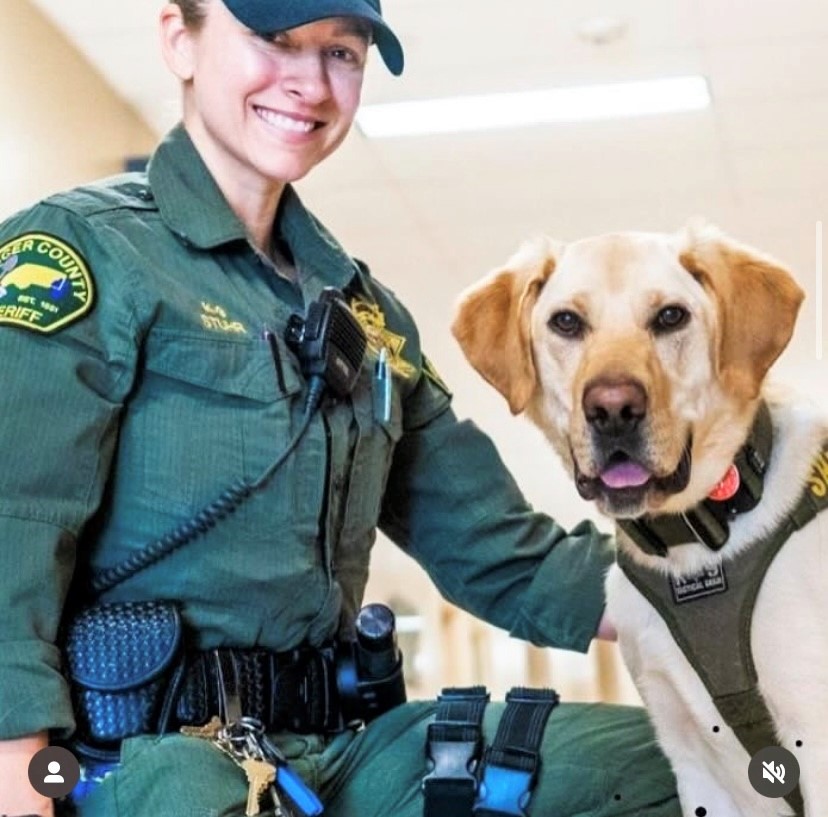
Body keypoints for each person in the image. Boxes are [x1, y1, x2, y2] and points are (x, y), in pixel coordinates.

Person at [0, 1, 682, 815]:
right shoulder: (81, 254)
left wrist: (730, 576)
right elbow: (15, 520)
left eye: (342, 54)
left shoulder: (371, 319)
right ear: (179, 40)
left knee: (688, 765)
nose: (309, 82)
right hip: (145, 765)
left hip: (341, 751)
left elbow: (508, 555)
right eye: (275, 42)